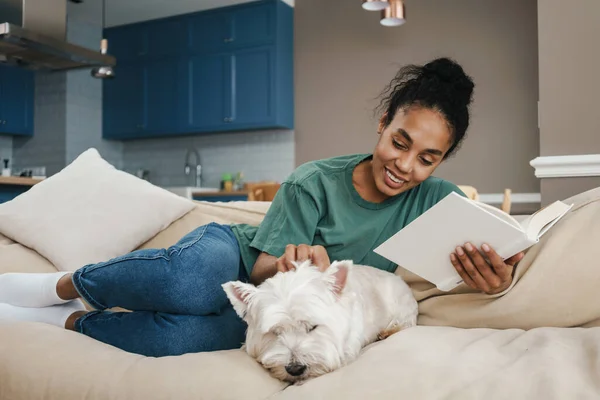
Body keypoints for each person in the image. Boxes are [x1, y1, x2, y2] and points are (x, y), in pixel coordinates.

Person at [0, 57, 524, 357]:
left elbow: (500, 245)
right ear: (383, 122)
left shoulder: (441, 203)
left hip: (290, 311)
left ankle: (68, 322)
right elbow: (259, 268)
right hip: (237, 257)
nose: (405, 165)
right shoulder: (313, 181)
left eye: (427, 158)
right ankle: (61, 286)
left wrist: (498, 273)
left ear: (442, 161)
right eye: (400, 142)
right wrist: (294, 264)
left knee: (196, 335)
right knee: (188, 283)